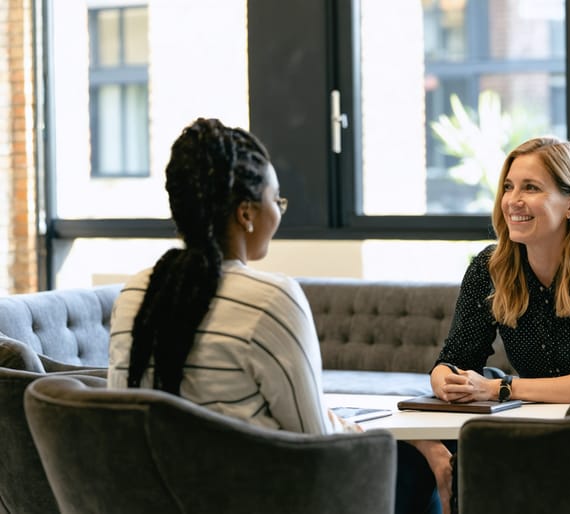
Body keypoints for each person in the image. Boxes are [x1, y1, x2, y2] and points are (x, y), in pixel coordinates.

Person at [107, 117, 445, 514]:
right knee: (417, 466)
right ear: (246, 213)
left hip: (157, 499)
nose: (279, 212)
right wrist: (389, 440)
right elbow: (315, 437)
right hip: (263, 497)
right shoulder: (271, 298)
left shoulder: (135, 293)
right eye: (277, 200)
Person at [422, 136, 570, 512]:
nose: (513, 200)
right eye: (509, 187)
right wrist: (444, 378)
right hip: (537, 426)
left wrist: (499, 389)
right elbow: (456, 357)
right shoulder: (490, 266)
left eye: (531, 188)